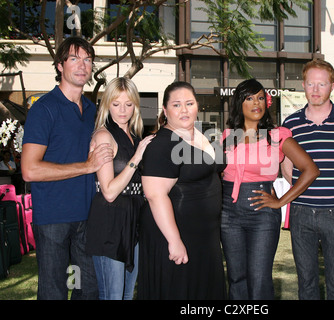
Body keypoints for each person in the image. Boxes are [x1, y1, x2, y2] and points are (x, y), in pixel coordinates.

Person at [21, 37, 114, 300]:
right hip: (53, 220)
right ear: (60, 65)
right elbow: (29, 170)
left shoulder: (93, 110)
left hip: (87, 218)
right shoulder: (44, 109)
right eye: (74, 58)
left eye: (87, 59)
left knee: (89, 290)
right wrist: (85, 167)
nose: (82, 65)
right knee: (55, 292)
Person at [220, 79, 319, 300]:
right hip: (228, 214)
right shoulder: (227, 137)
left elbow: (310, 170)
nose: (257, 103)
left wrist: (280, 201)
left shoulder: (277, 136)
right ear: (239, 103)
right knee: (236, 278)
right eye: (249, 98)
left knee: (259, 279)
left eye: (260, 97)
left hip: (262, 215)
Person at [282, 59, 334, 300]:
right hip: (301, 212)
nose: (316, 89)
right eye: (311, 83)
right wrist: (302, 192)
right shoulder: (290, 123)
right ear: (303, 85)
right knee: (306, 282)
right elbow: (286, 167)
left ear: (332, 85)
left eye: (322, 84)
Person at [137, 81, 226, 299]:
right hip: (176, 236)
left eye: (189, 103)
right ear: (165, 111)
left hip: (204, 237)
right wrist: (175, 241)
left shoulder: (199, 133)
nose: (184, 110)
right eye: (177, 105)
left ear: (198, 106)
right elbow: (155, 195)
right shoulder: (161, 145)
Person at [85, 77, 154, 300]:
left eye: (128, 104)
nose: (122, 110)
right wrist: (137, 157)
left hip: (133, 222)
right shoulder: (104, 136)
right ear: (106, 105)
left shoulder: (134, 137)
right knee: (112, 296)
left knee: (126, 296)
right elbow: (109, 191)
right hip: (109, 223)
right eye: (116, 104)